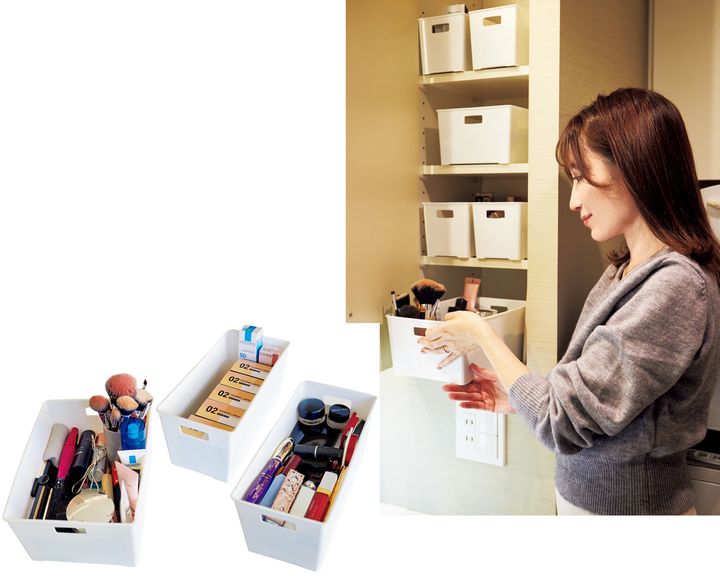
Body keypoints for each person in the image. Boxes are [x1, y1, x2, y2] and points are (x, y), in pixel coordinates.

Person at [419, 87, 720, 515]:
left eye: (580, 176)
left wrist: (482, 335)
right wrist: (519, 397)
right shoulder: (625, 270)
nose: (574, 200)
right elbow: (589, 401)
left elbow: (560, 421)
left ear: (633, 166)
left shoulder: (675, 286)